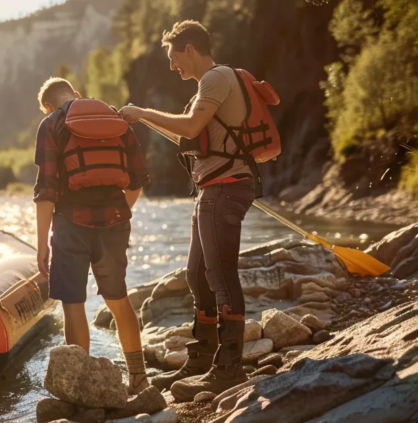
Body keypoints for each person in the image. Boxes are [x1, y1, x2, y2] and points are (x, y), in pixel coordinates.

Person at [116, 20, 261, 401]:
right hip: (212, 190)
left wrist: (143, 111)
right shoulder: (208, 85)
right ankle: (202, 359)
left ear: (190, 50)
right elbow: (190, 135)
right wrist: (144, 117)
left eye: (174, 56)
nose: (172, 65)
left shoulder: (215, 79)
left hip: (225, 188)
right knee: (198, 275)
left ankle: (229, 368)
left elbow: (193, 123)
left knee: (221, 275)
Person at [33, 77, 152, 394]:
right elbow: (137, 180)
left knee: (73, 304)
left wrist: (42, 244)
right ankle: (139, 378)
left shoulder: (51, 124)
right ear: (76, 95)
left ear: (47, 106)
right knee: (119, 301)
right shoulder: (115, 119)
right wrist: (118, 211)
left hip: (70, 224)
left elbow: (45, 191)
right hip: (114, 221)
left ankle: (80, 384)